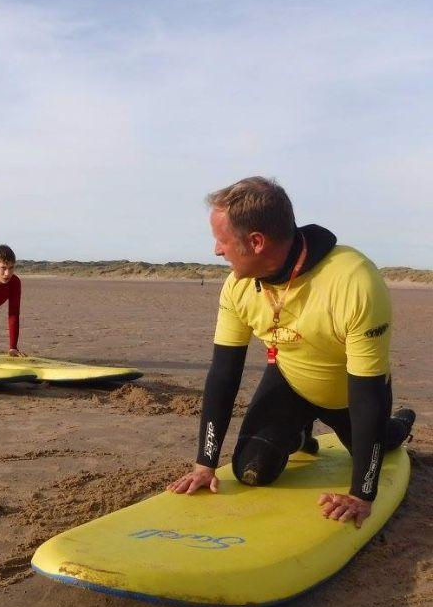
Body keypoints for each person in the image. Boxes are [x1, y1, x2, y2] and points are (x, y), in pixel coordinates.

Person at [168, 176, 415, 528]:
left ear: (256, 242)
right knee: (250, 470)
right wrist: (205, 464)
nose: (216, 250)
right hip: (291, 382)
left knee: (385, 441)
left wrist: (362, 494)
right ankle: (300, 432)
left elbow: (368, 395)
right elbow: (224, 373)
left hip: (350, 395)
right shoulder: (238, 287)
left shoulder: (353, 281)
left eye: (222, 240)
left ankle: (401, 423)